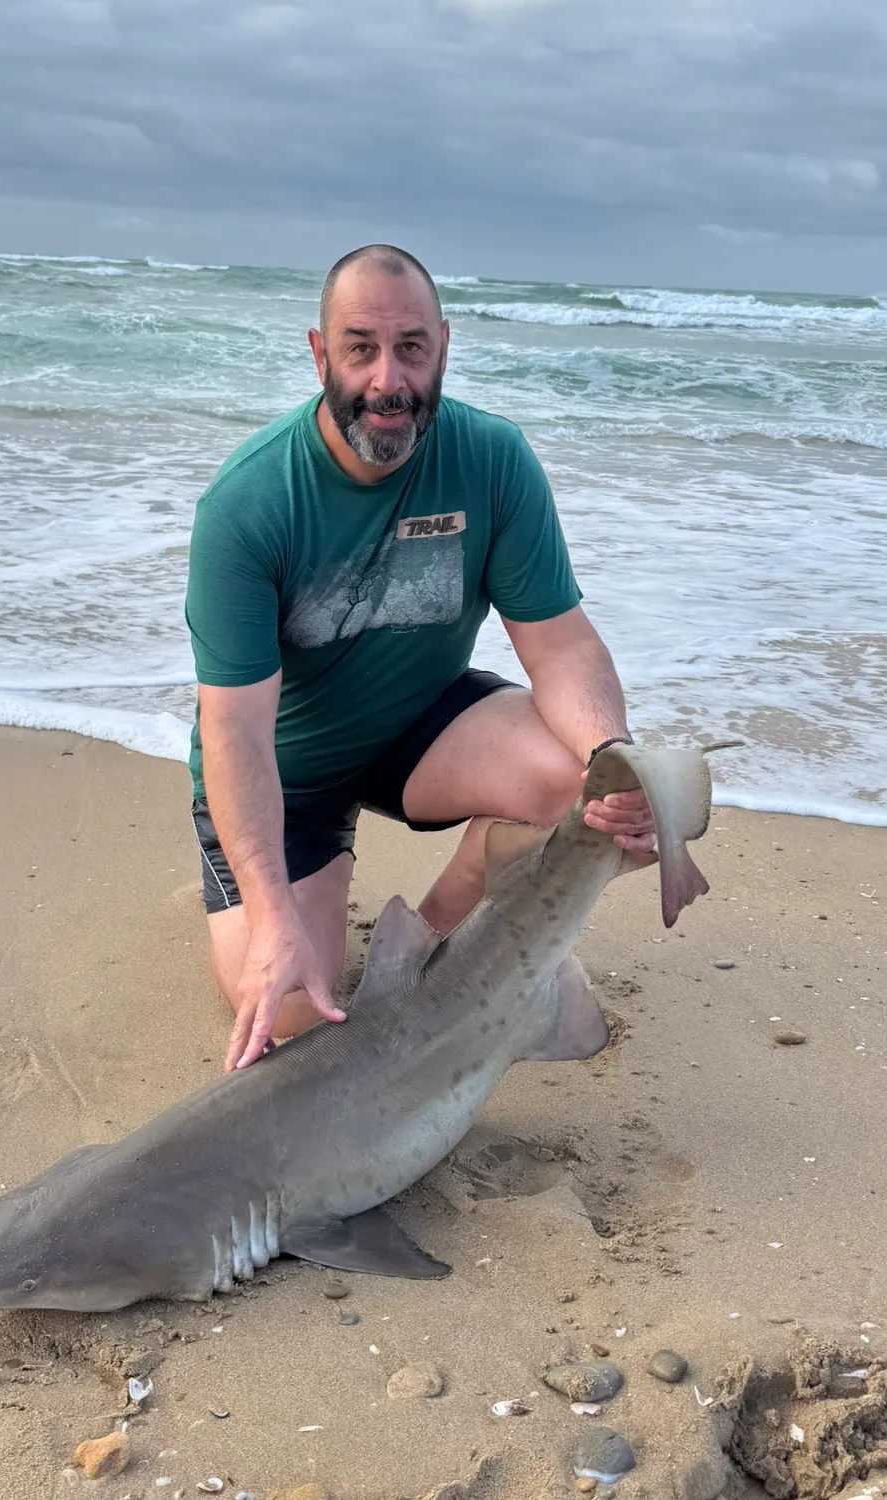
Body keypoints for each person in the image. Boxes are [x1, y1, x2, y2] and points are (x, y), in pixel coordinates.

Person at [185, 244, 655, 1072]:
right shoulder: (249, 504)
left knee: (570, 779)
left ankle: (433, 953)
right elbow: (236, 734)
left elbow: (563, 645)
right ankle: (282, 899)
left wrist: (613, 765)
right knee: (294, 1011)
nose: (387, 380)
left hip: (418, 731)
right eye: (361, 347)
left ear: (444, 345)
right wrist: (271, 913)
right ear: (320, 353)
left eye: (411, 348)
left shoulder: (492, 460)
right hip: (285, 775)